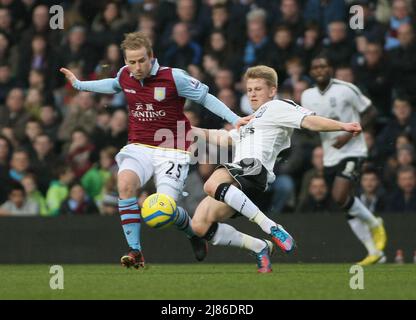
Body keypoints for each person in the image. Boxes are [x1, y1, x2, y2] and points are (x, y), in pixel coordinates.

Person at [60, 31, 251, 269]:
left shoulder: (174, 77)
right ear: (125, 61)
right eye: (131, 62)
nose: (137, 67)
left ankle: (193, 233)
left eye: (141, 60)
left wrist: (234, 119)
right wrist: (79, 84)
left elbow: (206, 98)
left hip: (172, 148)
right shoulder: (125, 75)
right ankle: (136, 251)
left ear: (151, 56)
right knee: (125, 185)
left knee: (166, 210)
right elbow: (112, 84)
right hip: (139, 145)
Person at [191, 65, 362, 273]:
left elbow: (309, 121)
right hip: (239, 181)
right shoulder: (250, 120)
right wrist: (188, 129)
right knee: (200, 225)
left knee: (212, 183)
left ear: (272, 91)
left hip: (254, 169)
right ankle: (259, 246)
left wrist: (343, 126)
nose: (252, 94)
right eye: (250, 90)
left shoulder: (277, 107)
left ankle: (271, 227)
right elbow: (224, 138)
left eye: (258, 89)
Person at [301, 55, 387, 266]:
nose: (320, 69)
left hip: (353, 151)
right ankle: (375, 252)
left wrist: (349, 134)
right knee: (345, 203)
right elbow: (310, 124)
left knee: (340, 196)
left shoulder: (346, 89)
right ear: (311, 72)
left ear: (330, 68)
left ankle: (374, 222)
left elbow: (371, 112)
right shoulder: (307, 96)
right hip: (330, 156)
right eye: (315, 66)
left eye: (323, 65)